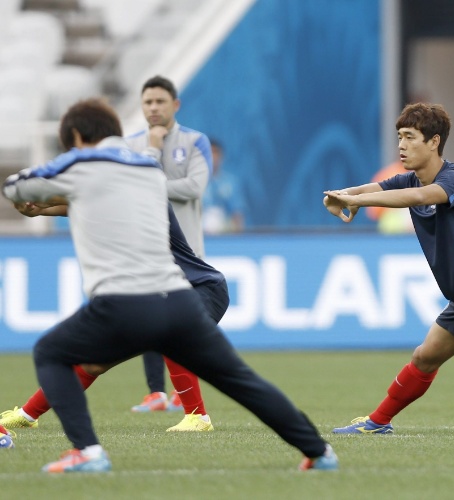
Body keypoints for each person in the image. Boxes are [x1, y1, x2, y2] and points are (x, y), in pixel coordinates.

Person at [1, 98, 336, 473]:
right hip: (179, 301)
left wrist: (33, 198)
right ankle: (319, 451)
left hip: (122, 302)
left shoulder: (82, 162)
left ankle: (88, 451)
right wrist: (49, 204)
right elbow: (100, 200)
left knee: (50, 351)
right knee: (241, 381)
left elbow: (18, 187)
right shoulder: (147, 168)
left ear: (79, 137)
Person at [323, 103, 454, 438]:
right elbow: (373, 189)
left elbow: (417, 196)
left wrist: (357, 202)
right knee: (423, 358)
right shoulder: (408, 178)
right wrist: (340, 196)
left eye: (409, 137)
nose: (401, 145)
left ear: (434, 142)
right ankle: (378, 421)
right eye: (399, 137)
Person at [0, 203, 224, 432]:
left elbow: (93, 202)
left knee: (175, 333)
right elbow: (88, 203)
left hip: (200, 288)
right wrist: (42, 209)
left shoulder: (149, 196)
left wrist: (47, 203)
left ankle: (197, 417)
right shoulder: (114, 199)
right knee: (93, 363)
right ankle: (27, 415)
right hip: (155, 300)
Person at [127, 75, 212, 413]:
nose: (153, 108)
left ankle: (183, 395)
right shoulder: (129, 144)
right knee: (149, 321)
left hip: (187, 253)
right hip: (145, 250)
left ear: (175, 105)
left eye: (160, 101)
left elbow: (194, 187)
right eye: (148, 102)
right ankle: (156, 393)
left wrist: (149, 178)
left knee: (183, 326)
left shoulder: (195, 141)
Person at [203, 139, 246, 234]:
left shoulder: (231, 182)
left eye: (215, 152)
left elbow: (237, 214)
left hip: (224, 236)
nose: (212, 157)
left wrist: (239, 238)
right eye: (209, 152)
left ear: (221, 156)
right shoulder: (195, 182)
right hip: (199, 234)